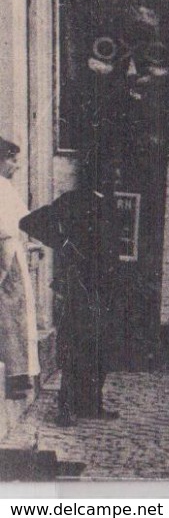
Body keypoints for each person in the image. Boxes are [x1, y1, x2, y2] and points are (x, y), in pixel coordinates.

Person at [21, 184, 120, 421]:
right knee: (75, 344)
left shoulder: (109, 201)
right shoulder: (75, 198)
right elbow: (30, 222)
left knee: (99, 346)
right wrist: (63, 243)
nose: (114, 178)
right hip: (78, 284)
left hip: (103, 285)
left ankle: (91, 405)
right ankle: (66, 408)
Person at [0, 138, 39, 399]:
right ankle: (14, 375)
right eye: (11, 159)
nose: (15, 165)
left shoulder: (6, 187)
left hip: (13, 252)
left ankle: (19, 374)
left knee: (18, 314)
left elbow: (24, 221)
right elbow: (5, 229)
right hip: (6, 255)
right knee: (11, 313)